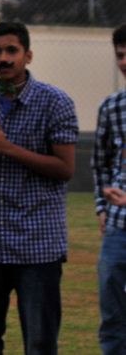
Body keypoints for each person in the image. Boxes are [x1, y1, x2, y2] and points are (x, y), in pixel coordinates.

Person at [0, 21, 78, 355]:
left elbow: (65, 169)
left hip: (37, 244)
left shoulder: (55, 101)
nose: (3, 58)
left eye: (11, 50)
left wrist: (6, 147)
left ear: (28, 55)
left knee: (39, 344)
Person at [92, 22, 126, 355]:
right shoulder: (112, 108)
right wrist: (101, 207)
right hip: (118, 228)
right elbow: (100, 163)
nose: (124, 61)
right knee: (113, 319)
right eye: (120, 55)